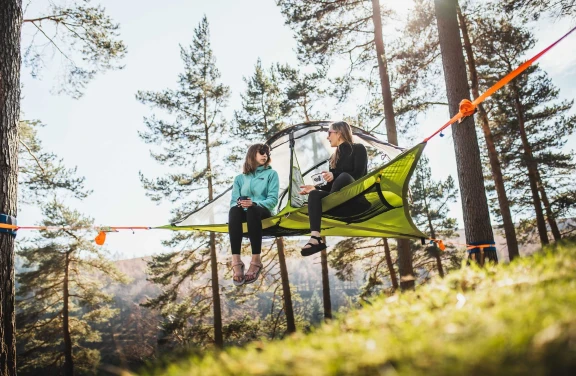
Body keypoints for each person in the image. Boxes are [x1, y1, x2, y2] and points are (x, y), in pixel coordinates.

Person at [299, 121, 368, 256]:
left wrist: (335, 175)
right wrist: (315, 187)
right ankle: (315, 238)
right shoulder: (333, 158)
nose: (327, 137)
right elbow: (331, 186)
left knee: (344, 177)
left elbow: (359, 175)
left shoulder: (359, 149)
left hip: (355, 201)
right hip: (337, 204)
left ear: (339, 133)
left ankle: (332, 201)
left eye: (329, 133)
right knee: (314, 194)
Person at [229, 143, 279, 286]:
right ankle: (236, 261)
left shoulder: (271, 174)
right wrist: (240, 203)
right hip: (243, 211)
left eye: (267, 153)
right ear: (252, 154)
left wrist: (254, 203)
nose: (265, 155)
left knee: (252, 210)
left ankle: (256, 260)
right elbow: (233, 201)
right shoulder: (240, 178)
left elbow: (273, 199)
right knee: (234, 210)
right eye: (262, 152)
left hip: (263, 211)